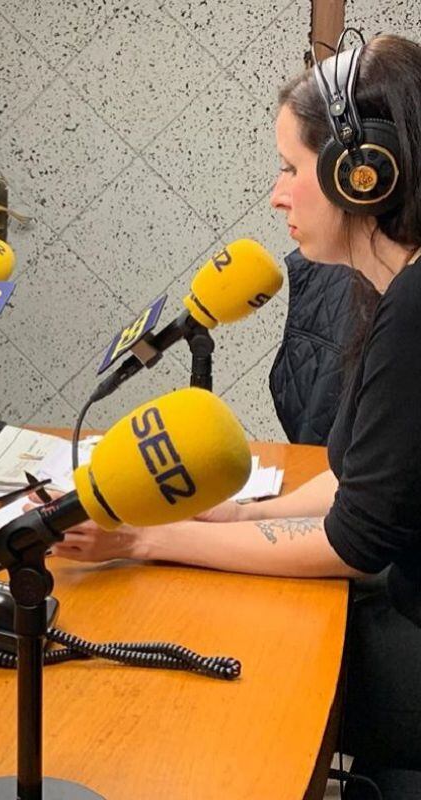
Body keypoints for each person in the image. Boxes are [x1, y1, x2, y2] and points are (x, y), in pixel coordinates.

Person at [52, 33, 421, 788]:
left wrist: (150, 543)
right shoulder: (389, 290)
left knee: (215, 692)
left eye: (291, 168)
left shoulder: (417, 306)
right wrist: (223, 516)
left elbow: (353, 543)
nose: (278, 194)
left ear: (363, 173)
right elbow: (358, 481)